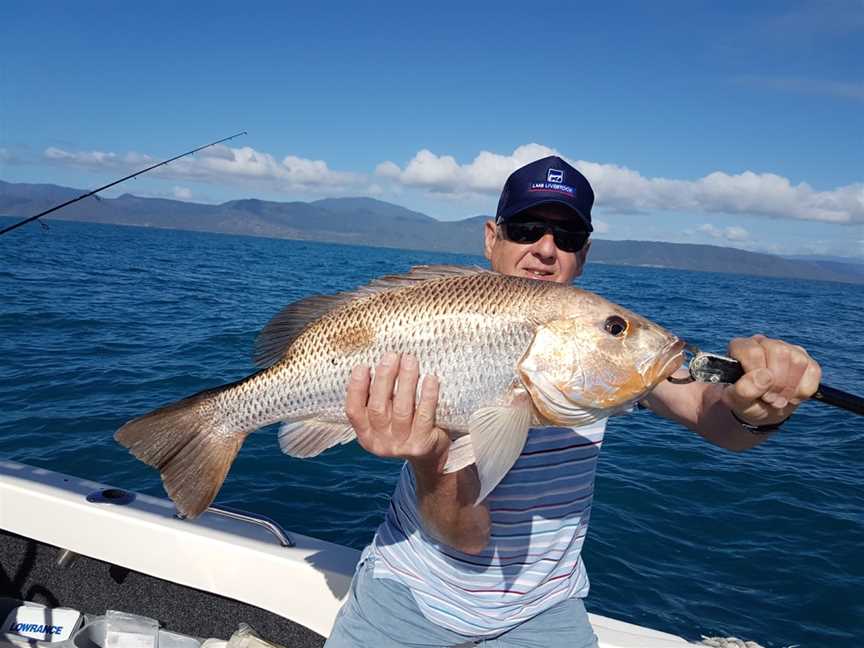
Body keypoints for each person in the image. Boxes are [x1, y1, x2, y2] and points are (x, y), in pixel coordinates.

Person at [324, 156, 822, 647]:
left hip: (544, 610)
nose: (545, 249)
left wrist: (758, 409)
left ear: (582, 256)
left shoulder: (600, 348)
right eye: (526, 227)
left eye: (567, 238)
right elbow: (465, 537)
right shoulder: (457, 316)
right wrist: (429, 457)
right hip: (409, 590)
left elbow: (720, 422)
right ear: (491, 238)